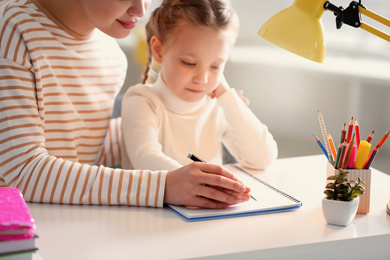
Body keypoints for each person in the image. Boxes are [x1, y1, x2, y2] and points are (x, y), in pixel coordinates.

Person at [0, 0, 252, 209]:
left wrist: (163, 117)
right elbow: (22, 172)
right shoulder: (12, 29)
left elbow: (84, 150)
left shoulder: (111, 56)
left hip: (72, 221)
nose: (141, 10)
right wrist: (163, 186)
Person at [121, 0, 278, 172]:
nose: (202, 79)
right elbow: (146, 158)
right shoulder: (141, 101)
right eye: (189, 63)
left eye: (215, 66)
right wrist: (199, 179)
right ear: (158, 50)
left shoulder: (216, 105)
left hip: (211, 197)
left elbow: (263, 159)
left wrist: (228, 97)